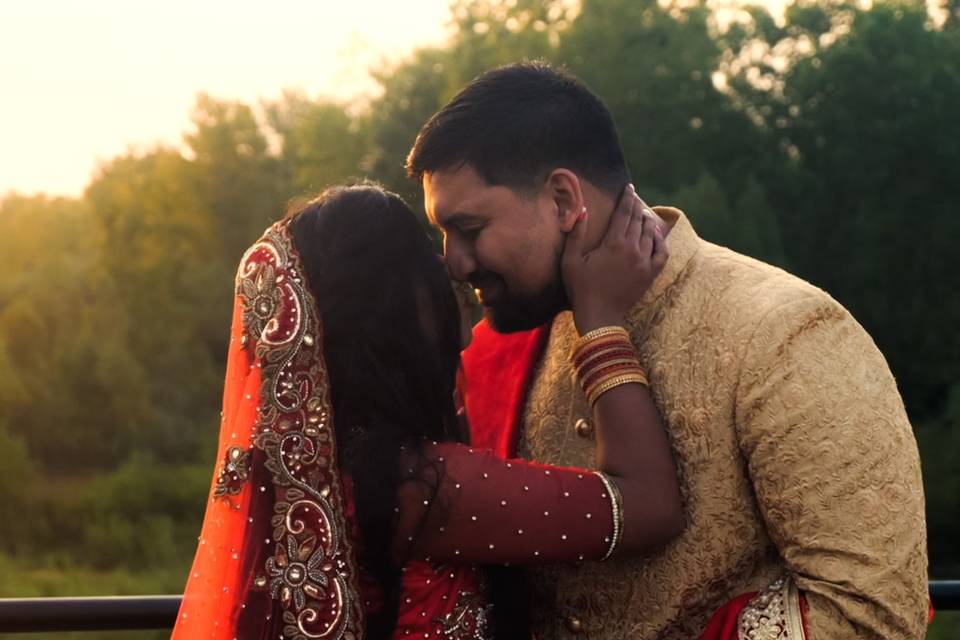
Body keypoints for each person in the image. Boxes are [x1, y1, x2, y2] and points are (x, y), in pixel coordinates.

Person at [407, 61, 930, 639]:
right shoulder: (502, 351)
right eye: (445, 236)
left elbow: (869, 615)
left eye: (471, 229)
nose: (455, 261)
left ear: (562, 198)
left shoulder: (786, 333)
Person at [173, 183, 682, 639]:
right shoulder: (423, 486)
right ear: (387, 306)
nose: (450, 267)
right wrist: (599, 319)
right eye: (424, 255)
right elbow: (650, 506)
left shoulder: (344, 470)